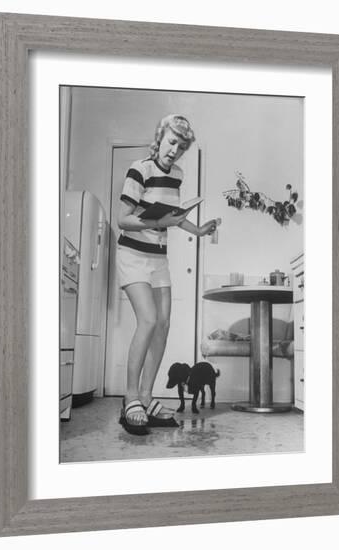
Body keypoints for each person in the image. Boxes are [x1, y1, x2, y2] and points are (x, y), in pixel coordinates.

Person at [117, 114, 218, 435]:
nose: (175, 150)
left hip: (158, 259)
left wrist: (198, 229)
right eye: (172, 142)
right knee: (147, 320)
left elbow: (173, 216)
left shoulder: (177, 175)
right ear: (160, 137)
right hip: (132, 255)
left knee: (163, 325)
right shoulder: (139, 168)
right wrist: (158, 223)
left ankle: (147, 398)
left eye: (181, 146)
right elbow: (123, 219)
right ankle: (130, 397)